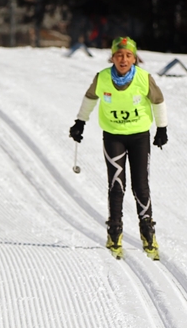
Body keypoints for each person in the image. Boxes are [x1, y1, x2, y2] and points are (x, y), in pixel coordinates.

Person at [68, 37, 168, 260]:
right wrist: (80, 122)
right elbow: (90, 98)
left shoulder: (143, 78)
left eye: (128, 55)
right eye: (119, 55)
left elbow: (158, 101)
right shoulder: (102, 78)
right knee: (116, 184)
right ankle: (115, 231)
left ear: (134, 58)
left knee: (140, 184)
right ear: (112, 57)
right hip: (113, 136)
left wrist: (162, 129)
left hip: (139, 136)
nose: (123, 60)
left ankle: (147, 232)